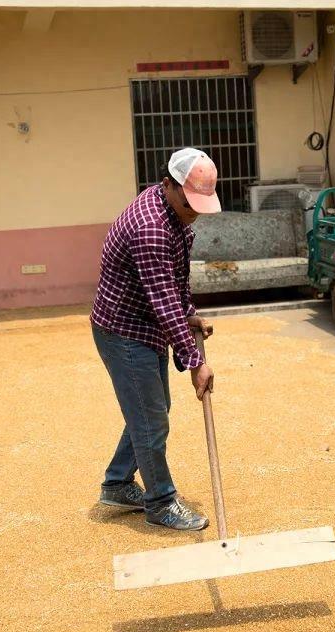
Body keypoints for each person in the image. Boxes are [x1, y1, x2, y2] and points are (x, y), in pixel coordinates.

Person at [90, 148, 220, 531]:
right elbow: (164, 301)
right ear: (169, 185)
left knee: (152, 409)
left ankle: (117, 483)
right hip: (124, 330)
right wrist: (195, 362)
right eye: (190, 202)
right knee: (151, 419)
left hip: (143, 324)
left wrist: (189, 313)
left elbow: (176, 282)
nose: (194, 211)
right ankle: (160, 502)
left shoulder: (174, 213)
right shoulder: (150, 227)